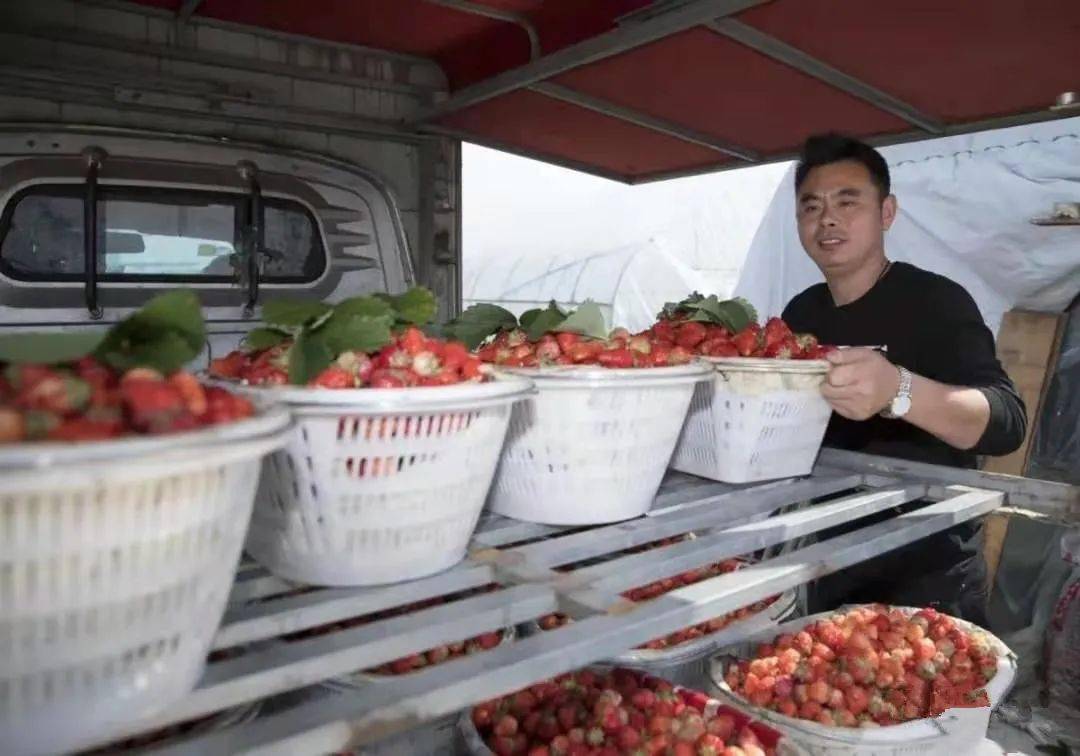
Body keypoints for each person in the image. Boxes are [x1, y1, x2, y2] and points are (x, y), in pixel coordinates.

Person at [781, 133, 1027, 617]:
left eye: (847, 202)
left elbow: (1007, 422)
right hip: (831, 561)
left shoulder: (936, 302)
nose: (827, 218)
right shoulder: (800, 314)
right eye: (811, 207)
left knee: (939, 694)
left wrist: (899, 390)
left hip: (927, 575)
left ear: (886, 213)